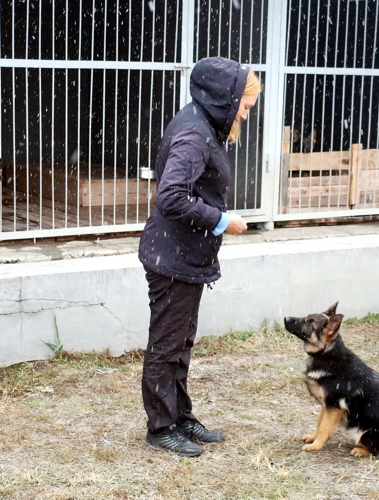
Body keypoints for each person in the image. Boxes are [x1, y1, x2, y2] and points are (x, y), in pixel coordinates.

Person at [137, 57, 262, 457]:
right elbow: (171, 196)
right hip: (173, 257)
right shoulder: (195, 134)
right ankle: (160, 427)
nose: (245, 112)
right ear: (224, 98)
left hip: (185, 256)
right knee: (167, 344)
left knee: (181, 341)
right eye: (244, 104)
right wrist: (222, 220)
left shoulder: (204, 123)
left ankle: (180, 416)